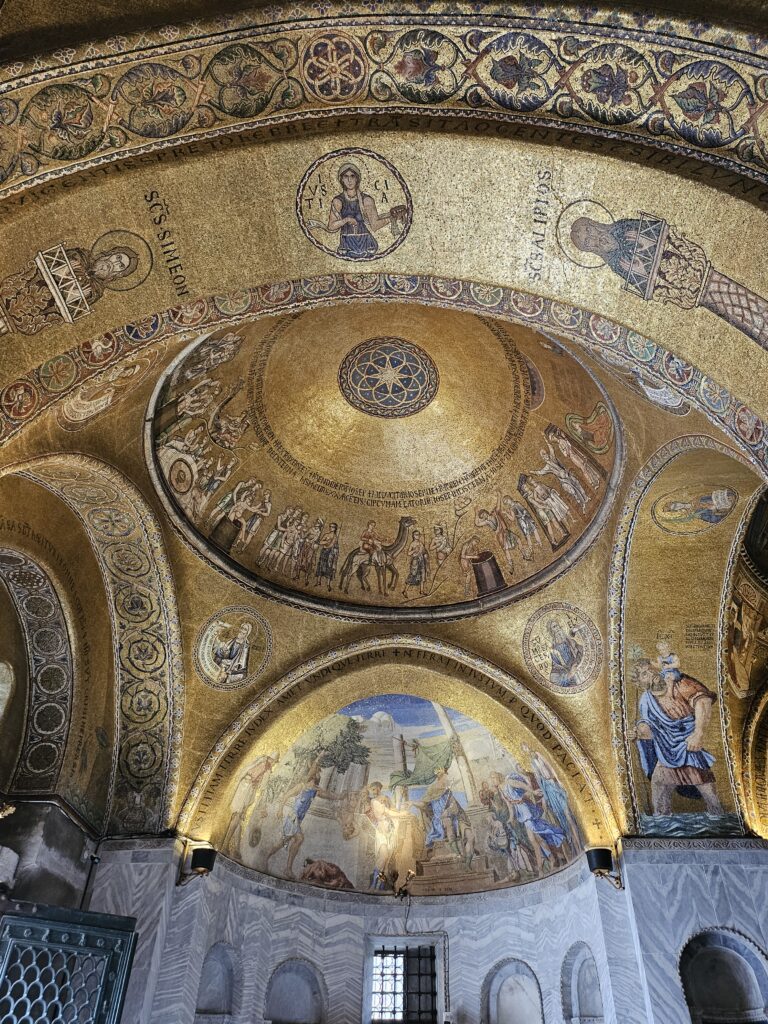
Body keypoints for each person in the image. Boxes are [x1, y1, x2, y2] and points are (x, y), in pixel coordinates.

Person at [633, 660, 724, 816]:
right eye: (644, 674)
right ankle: (662, 826)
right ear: (640, 682)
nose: (650, 674)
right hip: (666, 751)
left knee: (708, 792)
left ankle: (720, 821)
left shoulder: (679, 683)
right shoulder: (646, 700)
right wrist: (638, 732)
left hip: (688, 744)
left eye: (650, 669)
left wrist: (698, 733)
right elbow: (650, 727)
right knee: (659, 787)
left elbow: (703, 701)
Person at [1, 243, 139, 335]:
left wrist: (73, 295)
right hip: (24, 288)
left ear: (118, 274)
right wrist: (64, 268)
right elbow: (48, 260)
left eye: (120, 266)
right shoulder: (81, 255)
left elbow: (73, 308)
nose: (113, 263)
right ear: (111, 253)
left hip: (37, 310)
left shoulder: (96, 290)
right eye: (117, 257)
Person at [264, 766, 343, 878]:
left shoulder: (315, 790)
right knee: (299, 838)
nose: (318, 774)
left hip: (298, 820)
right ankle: (286, 868)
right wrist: (280, 809)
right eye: (316, 772)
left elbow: (328, 795)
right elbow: (286, 795)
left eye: (318, 773)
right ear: (311, 776)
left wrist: (340, 797)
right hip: (292, 817)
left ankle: (270, 859)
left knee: (282, 842)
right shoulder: (302, 786)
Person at [327, 162, 406, 260]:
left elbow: (374, 225)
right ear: (341, 179)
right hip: (346, 246)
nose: (349, 180)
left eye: (352, 176)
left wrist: (392, 218)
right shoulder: (338, 201)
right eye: (346, 176)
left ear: (357, 178)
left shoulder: (366, 200)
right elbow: (331, 226)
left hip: (367, 244)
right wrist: (346, 220)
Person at [221, 753, 277, 855]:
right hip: (246, 790)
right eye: (274, 761)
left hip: (245, 787)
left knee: (238, 820)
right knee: (237, 818)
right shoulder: (266, 767)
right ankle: (225, 845)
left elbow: (247, 771)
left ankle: (235, 848)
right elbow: (263, 785)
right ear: (271, 760)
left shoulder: (260, 761)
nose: (274, 764)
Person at [211, 621, 252, 686]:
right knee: (218, 659)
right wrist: (220, 646)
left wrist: (229, 667)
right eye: (241, 628)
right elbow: (223, 653)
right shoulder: (233, 640)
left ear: (247, 633)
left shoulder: (245, 646)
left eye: (245, 629)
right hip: (225, 664)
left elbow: (241, 666)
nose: (242, 630)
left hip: (234, 670)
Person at [547, 619, 585, 688]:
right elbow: (554, 676)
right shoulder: (554, 652)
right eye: (554, 627)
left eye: (558, 626)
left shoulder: (571, 642)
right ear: (551, 632)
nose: (557, 628)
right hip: (572, 680)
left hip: (581, 672)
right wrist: (569, 675)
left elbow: (583, 652)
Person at [402, 529, 429, 597]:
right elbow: (408, 553)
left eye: (419, 535)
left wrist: (425, 554)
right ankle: (405, 590)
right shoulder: (412, 543)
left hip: (421, 560)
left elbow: (424, 551)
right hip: (415, 561)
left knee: (422, 575)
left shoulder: (420, 543)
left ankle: (421, 591)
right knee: (413, 575)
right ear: (413, 536)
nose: (418, 536)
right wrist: (414, 550)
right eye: (416, 535)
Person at [315, 523, 340, 590]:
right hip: (324, 552)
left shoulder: (335, 537)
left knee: (329, 567)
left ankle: (328, 584)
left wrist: (325, 542)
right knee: (320, 565)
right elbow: (320, 542)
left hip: (330, 553)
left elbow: (331, 545)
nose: (331, 528)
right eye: (330, 526)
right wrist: (326, 542)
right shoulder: (326, 534)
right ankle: (318, 582)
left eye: (332, 527)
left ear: (335, 528)